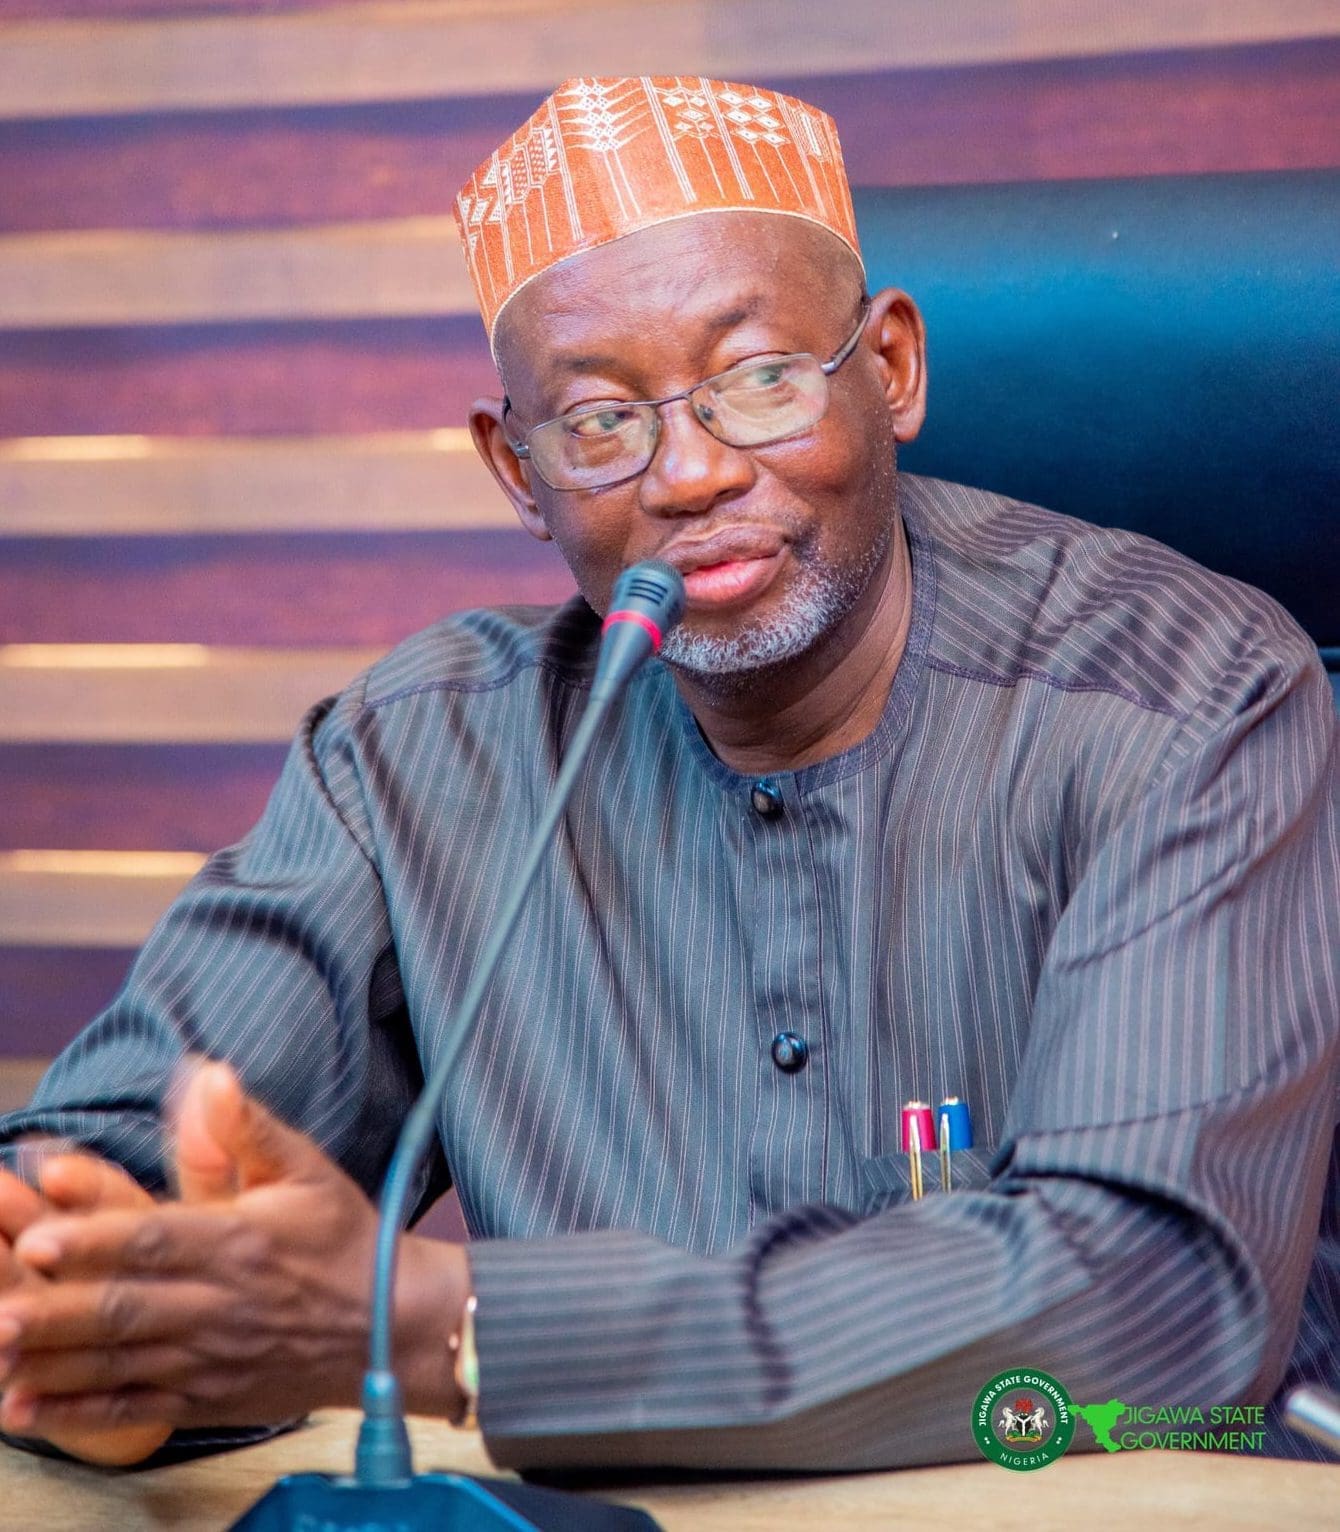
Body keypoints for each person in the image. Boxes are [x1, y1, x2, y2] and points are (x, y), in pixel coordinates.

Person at [0, 76, 1336, 1474]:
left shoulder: (1185, 695)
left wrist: (455, 1329)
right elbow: (105, 1171)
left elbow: (1151, 1294)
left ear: (889, 369)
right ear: (516, 472)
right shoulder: (416, 759)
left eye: (759, 380)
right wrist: (89, 1311)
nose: (689, 474)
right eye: (598, 421)